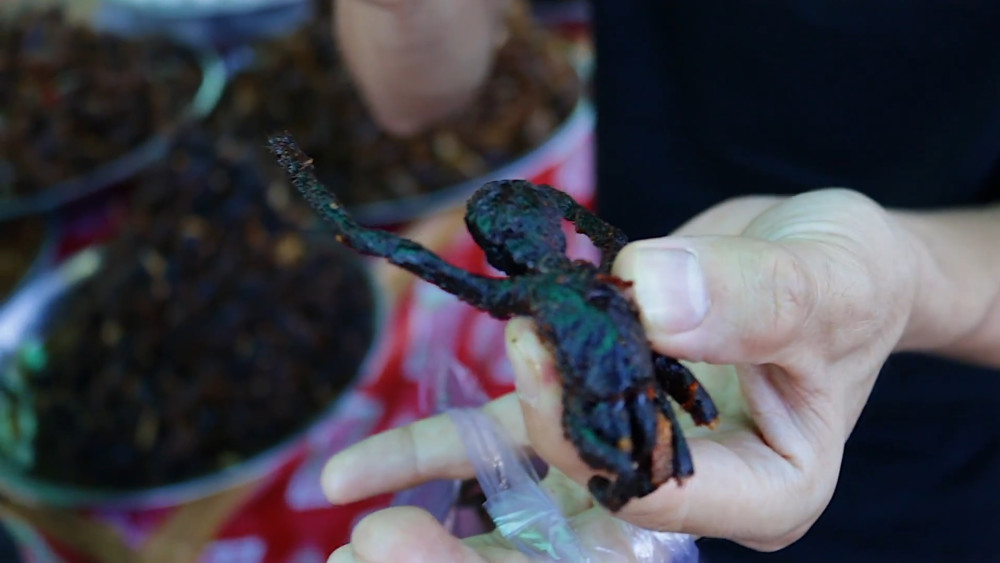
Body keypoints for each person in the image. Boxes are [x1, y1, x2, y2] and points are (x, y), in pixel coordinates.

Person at [322, 1, 1000, 560]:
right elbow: (414, 107)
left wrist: (908, 277)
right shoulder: (606, 291)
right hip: (672, 283)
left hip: (939, 442)